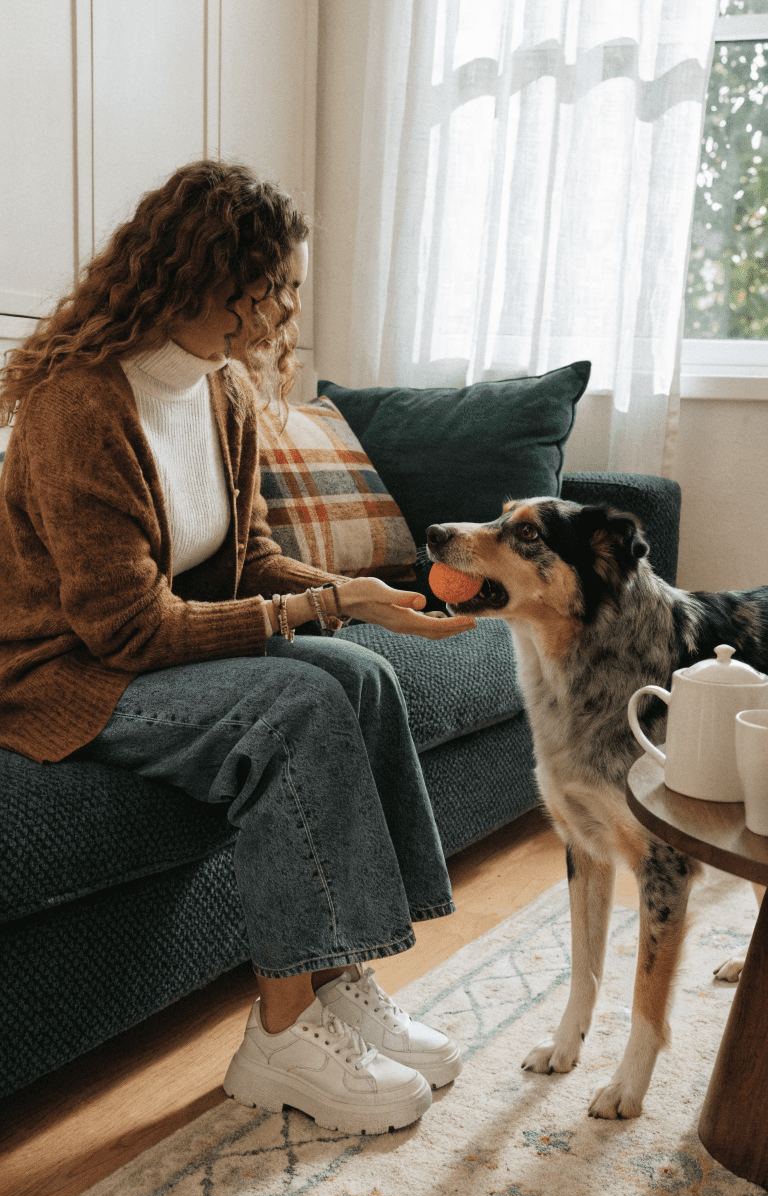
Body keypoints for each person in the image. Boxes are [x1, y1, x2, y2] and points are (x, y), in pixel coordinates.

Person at [0, 160, 477, 1136]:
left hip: (151, 642)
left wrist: (356, 604)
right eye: (253, 286)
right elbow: (124, 629)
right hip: (66, 674)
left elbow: (246, 555)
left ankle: (340, 976)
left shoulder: (219, 391)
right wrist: (327, 601)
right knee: (296, 706)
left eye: (280, 287)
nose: (267, 313)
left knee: (363, 676)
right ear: (181, 271)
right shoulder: (78, 404)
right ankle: (280, 1037)